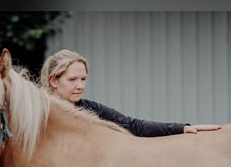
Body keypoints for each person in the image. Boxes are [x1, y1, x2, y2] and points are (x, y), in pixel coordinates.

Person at [40, 49, 221, 137]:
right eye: (72, 80)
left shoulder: (88, 108)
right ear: (53, 80)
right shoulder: (39, 113)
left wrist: (183, 128)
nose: (80, 86)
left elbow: (133, 125)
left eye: (83, 79)